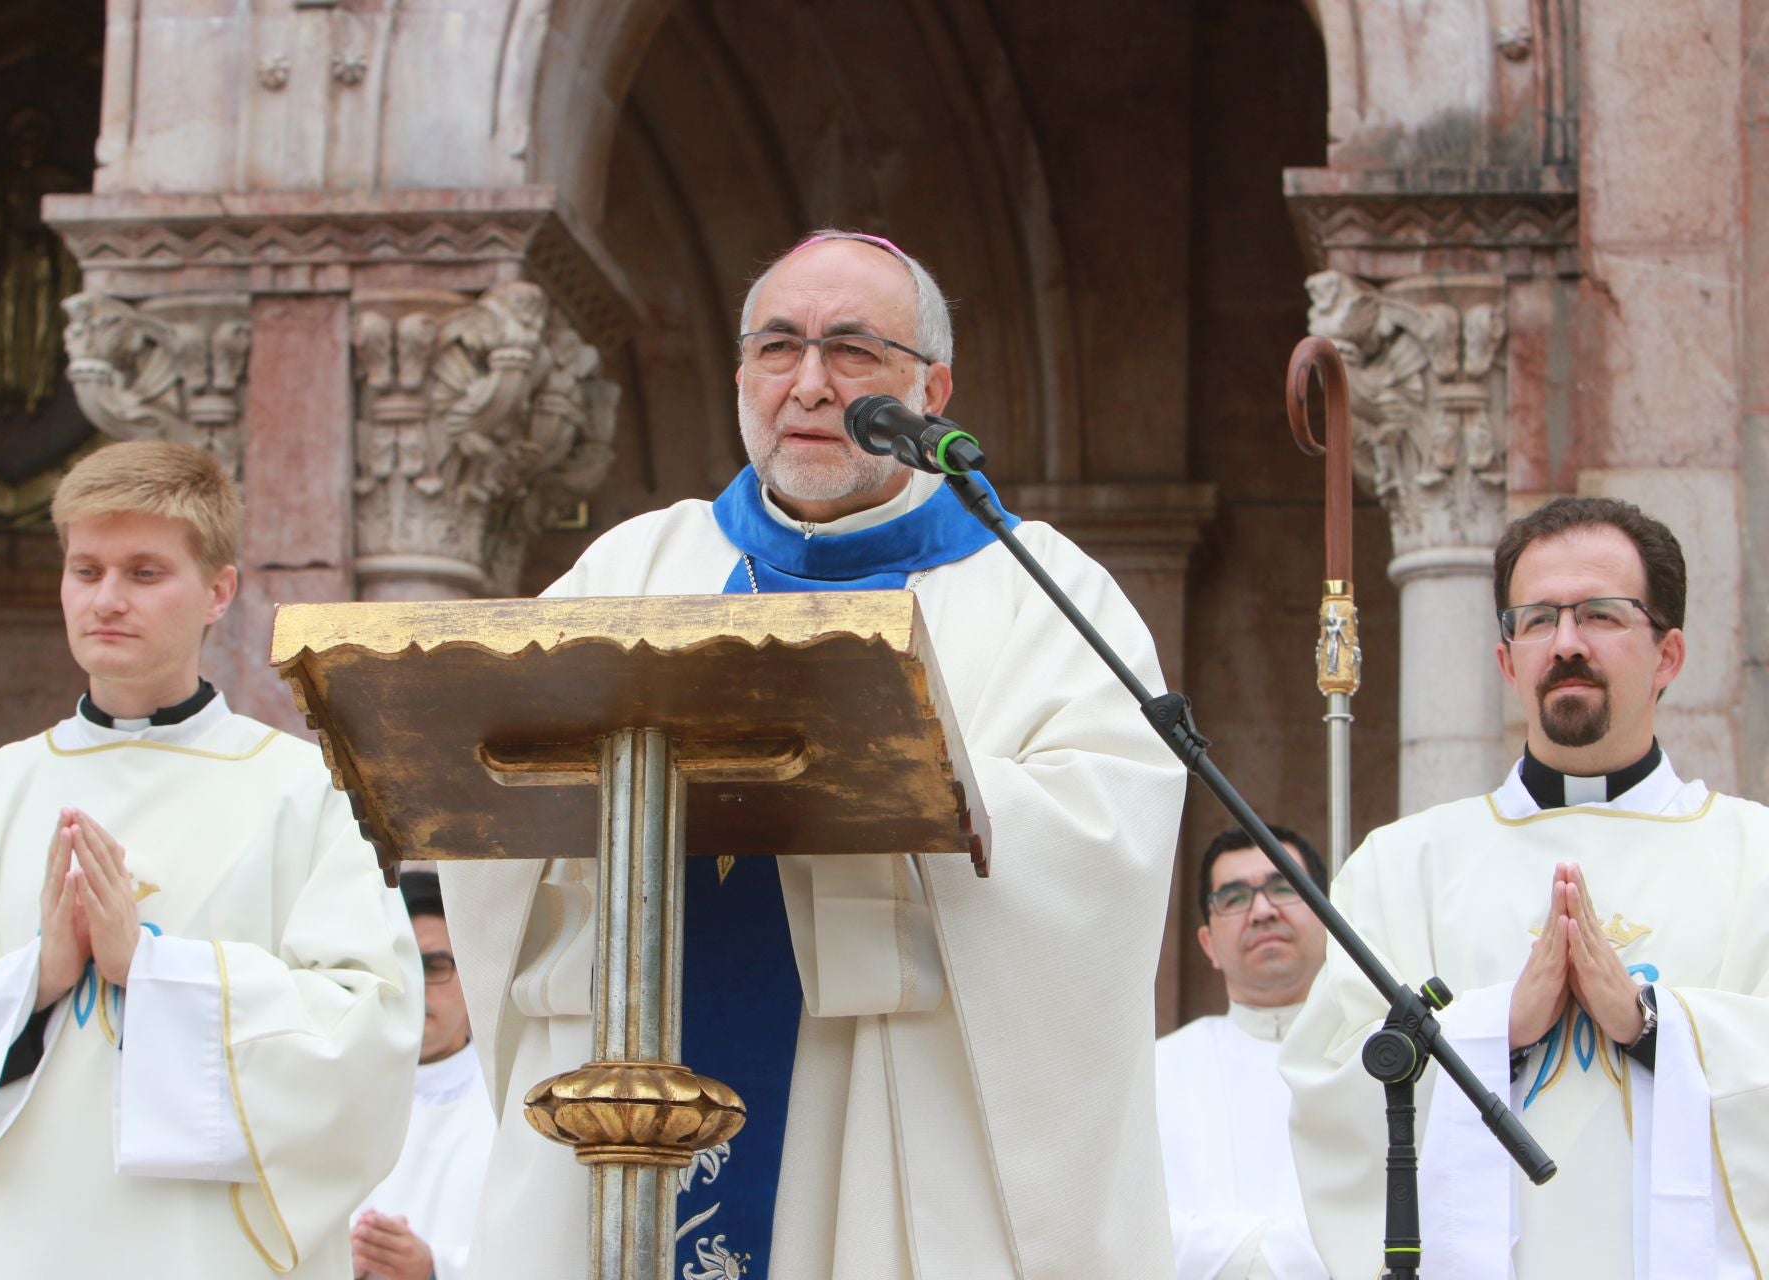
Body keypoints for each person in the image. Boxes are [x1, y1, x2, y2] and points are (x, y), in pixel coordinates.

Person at [441, 230, 1188, 1279]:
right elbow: (499, 792)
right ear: (742, 374)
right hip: (643, 1070)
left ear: (932, 387)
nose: (808, 383)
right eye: (777, 348)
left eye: (852, 351)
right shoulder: (639, 565)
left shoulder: (1039, 590)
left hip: (877, 1098)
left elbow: (1104, 829)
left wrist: (884, 792)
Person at [0, 440, 421, 1279]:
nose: (107, 600)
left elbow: (371, 1030)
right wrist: (32, 982)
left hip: (202, 1251)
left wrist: (153, 971)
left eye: (144, 573)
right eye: (86, 571)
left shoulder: (310, 795)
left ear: (218, 591)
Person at [1281, 495, 1769, 1279]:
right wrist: (1494, 1027)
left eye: (1602, 615)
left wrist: (1654, 1026)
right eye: (1536, 620)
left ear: (1669, 655)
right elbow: (1330, 1091)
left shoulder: (1757, 859)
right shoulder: (1404, 866)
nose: (1566, 643)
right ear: (1508, 661)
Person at [1155, 826, 1329, 1279]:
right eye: (1233, 898)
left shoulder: (1386, 1062)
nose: (1263, 911)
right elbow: (1139, 1233)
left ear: (1331, 918)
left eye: (1284, 887)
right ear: (1208, 945)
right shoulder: (1154, 1072)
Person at [352, 872, 496, 1280]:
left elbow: (529, 1248)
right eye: (399, 969)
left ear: (471, 977)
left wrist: (434, 1269)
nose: (415, 987)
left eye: (433, 966)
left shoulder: (510, 1107)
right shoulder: (330, 1097)